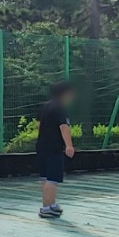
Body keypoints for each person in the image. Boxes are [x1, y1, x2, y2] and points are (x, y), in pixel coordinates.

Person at [36, 81, 75, 219]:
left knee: (46, 177)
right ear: (65, 93)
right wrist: (69, 145)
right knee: (52, 179)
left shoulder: (45, 106)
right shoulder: (60, 108)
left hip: (42, 147)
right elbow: (64, 127)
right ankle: (46, 208)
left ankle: (50, 204)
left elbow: (38, 125)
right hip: (53, 148)